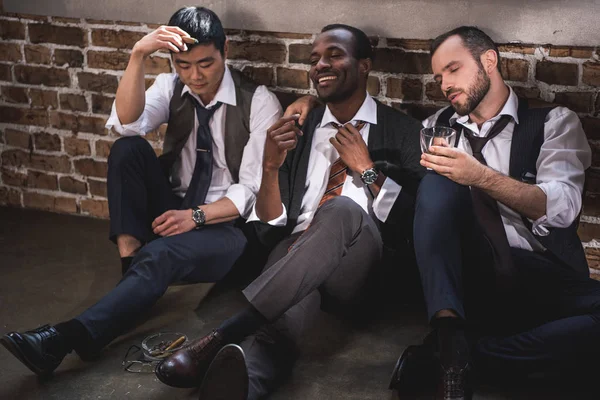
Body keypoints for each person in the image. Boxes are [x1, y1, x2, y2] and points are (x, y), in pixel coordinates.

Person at [1, 6, 281, 376]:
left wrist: (195, 217)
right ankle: (133, 275)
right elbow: (127, 125)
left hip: (228, 228)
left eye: (205, 64)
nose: (195, 76)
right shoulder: (171, 85)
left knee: (162, 254)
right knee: (127, 149)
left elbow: (252, 191)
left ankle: (63, 340)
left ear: (225, 50)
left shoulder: (258, 101)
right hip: (176, 206)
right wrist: (137, 55)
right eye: (183, 65)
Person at [153, 24, 425, 398]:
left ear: (364, 65)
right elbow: (269, 226)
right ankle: (245, 384)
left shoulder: (404, 131)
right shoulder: (298, 128)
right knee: (279, 322)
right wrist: (269, 167)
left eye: (334, 55)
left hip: (361, 266)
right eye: (314, 59)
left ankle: (222, 334)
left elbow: (415, 221)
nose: (320, 65)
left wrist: (367, 170)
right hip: (298, 255)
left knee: (342, 209)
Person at [389, 26, 597, 400]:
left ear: (489, 60)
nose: (444, 85)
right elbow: (421, 212)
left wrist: (480, 177)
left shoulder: (553, 122)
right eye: (438, 78)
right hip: (473, 276)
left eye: (453, 69)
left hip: (539, 270)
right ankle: (452, 334)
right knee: (437, 181)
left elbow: (563, 209)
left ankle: (458, 358)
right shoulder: (434, 129)